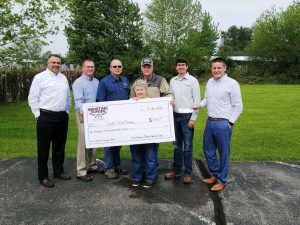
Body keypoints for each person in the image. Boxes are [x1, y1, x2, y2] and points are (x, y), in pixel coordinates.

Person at [194, 57, 243, 191]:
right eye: (214, 68)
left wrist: (230, 122)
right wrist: (199, 105)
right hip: (210, 122)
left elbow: (238, 106)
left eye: (219, 68)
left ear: (224, 68)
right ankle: (215, 175)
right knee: (208, 150)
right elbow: (206, 99)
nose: (216, 70)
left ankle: (222, 180)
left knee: (224, 152)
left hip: (223, 123)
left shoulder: (232, 84)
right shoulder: (210, 81)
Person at [28, 54, 72, 188]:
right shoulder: (40, 78)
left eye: (58, 63)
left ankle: (58, 171)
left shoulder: (63, 77)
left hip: (62, 117)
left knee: (59, 147)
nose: (56, 65)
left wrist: (67, 111)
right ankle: (43, 177)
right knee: (43, 148)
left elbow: (68, 97)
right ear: (47, 63)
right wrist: (37, 115)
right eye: (53, 62)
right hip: (45, 117)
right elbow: (33, 97)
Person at [130, 58, 174, 179]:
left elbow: (169, 94)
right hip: (139, 123)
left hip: (154, 122)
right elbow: (131, 99)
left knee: (151, 151)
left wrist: (170, 101)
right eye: (144, 66)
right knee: (139, 150)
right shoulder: (137, 82)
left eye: (149, 66)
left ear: (152, 68)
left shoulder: (160, 80)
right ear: (141, 68)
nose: (147, 68)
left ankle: (151, 175)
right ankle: (142, 173)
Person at [165, 58, 201, 184]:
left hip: (187, 117)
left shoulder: (193, 80)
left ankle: (188, 173)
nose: (181, 67)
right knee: (176, 146)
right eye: (178, 65)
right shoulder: (172, 81)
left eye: (183, 65)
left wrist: (193, 119)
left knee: (188, 147)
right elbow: (170, 96)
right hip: (175, 116)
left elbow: (197, 101)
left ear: (187, 67)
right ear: (176, 67)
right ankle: (176, 170)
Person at [96, 59, 130, 179]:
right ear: (110, 68)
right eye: (114, 66)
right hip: (109, 119)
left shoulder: (125, 81)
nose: (117, 68)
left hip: (123, 118)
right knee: (109, 144)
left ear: (122, 68)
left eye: (119, 66)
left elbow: (129, 97)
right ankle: (109, 169)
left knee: (118, 143)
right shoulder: (104, 82)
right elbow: (100, 100)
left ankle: (117, 166)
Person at [72, 60, 104, 182]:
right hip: (83, 113)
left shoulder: (97, 81)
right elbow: (78, 100)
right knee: (83, 142)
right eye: (88, 67)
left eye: (92, 67)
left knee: (94, 140)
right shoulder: (78, 82)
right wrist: (82, 110)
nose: (90, 69)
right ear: (83, 68)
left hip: (95, 114)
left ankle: (92, 165)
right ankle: (81, 171)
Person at [129, 79, 158, 188]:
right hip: (135, 136)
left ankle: (150, 178)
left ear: (146, 90)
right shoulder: (130, 102)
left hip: (149, 136)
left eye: (142, 89)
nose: (140, 92)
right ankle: (137, 177)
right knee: (136, 157)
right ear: (134, 91)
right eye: (137, 90)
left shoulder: (152, 102)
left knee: (150, 157)